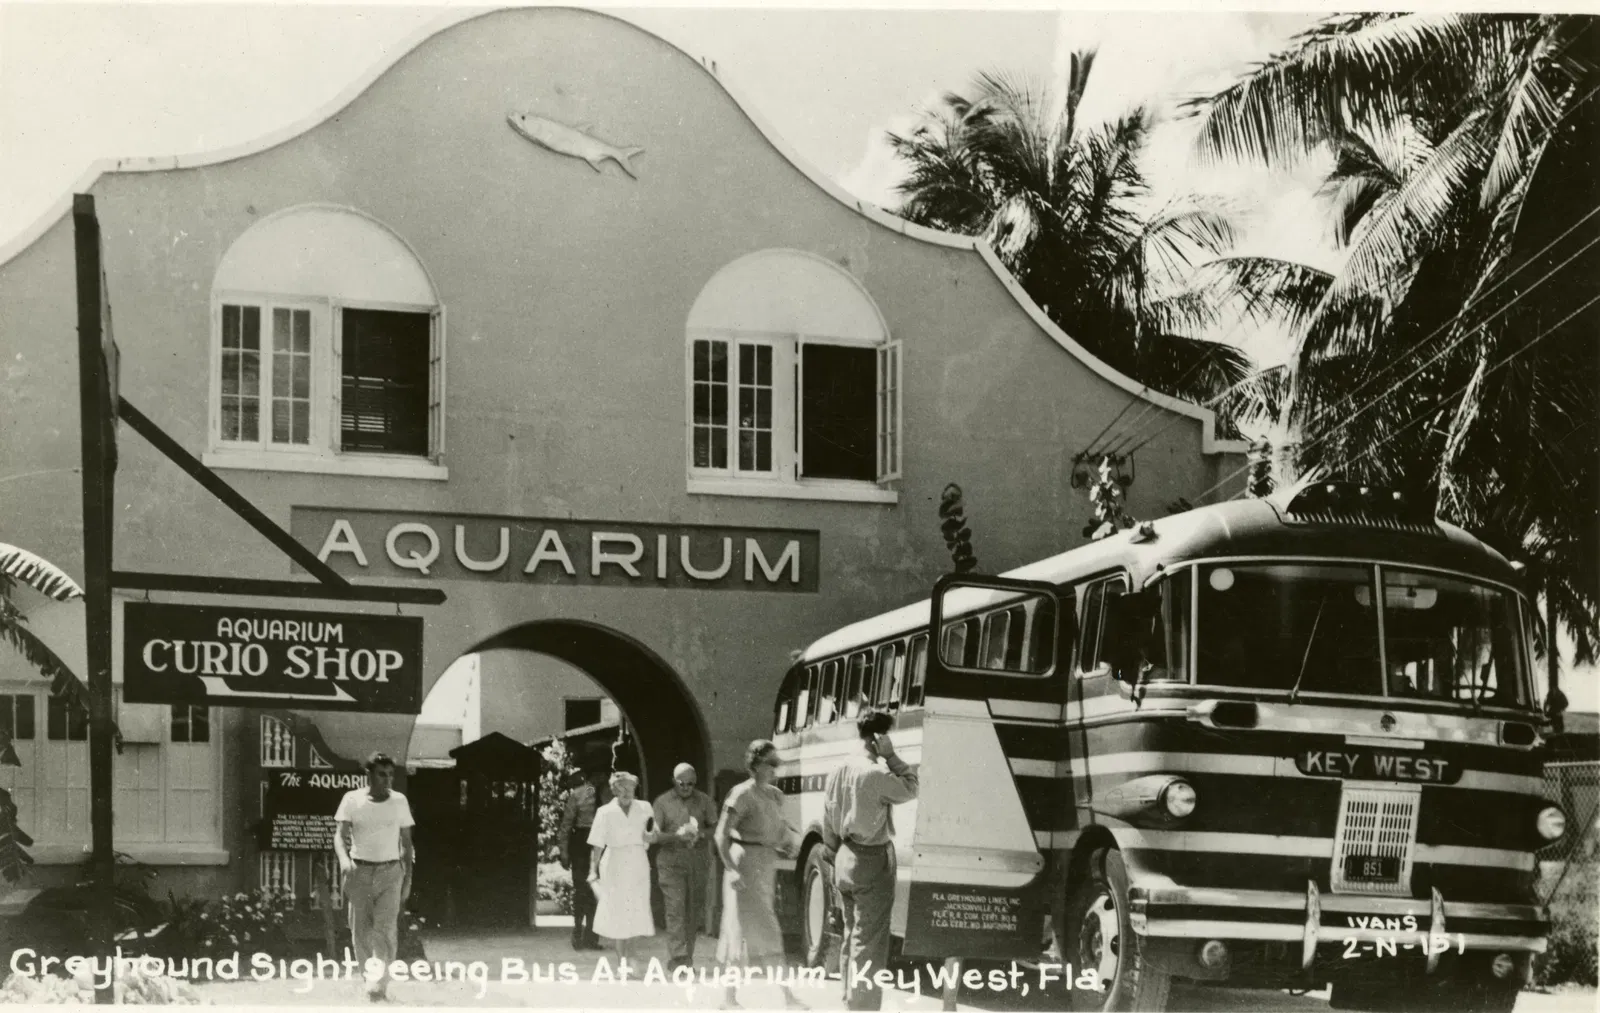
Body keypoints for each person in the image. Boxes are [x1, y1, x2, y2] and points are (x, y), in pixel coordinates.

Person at [822, 710, 918, 1011]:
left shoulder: (839, 768)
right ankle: (862, 1007)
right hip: (871, 859)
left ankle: (849, 1000)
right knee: (870, 941)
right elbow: (911, 786)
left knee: (852, 934)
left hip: (844, 856)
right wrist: (892, 757)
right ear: (878, 737)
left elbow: (827, 818)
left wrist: (833, 851)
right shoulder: (875, 772)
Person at [714, 740, 804, 1010]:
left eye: (778, 763)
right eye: (771, 764)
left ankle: (732, 999)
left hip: (766, 865)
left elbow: (779, 830)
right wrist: (731, 869)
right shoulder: (741, 794)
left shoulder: (776, 795)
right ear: (755, 765)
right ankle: (783, 997)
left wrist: (788, 844)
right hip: (744, 866)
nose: (776, 769)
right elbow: (721, 835)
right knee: (748, 931)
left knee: (752, 930)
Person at [333, 751, 416, 1003]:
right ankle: (369, 979)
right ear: (368, 774)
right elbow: (339, 836)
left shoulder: (399, 801)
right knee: (360, 930)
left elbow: (407, 843)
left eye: (390, 775)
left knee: (385, 929)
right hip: (359, 871)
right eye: (382, 774)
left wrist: (407, 876)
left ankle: (377, 986)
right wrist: (345, 860)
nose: (387, 780)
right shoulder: (352, 799)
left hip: (391, 872)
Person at [652, 762, 719, 970]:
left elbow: (717, 828)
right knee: (675, 909)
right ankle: (678, 957)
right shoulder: (662, 802)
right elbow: (654, 836)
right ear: (674, 781)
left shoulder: (704, 801)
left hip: (697, 862)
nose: (687, 788)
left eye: (691, 784)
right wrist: (676, 836)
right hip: (671, 862)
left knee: (693, 912)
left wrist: (701, 834)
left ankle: (686, 958)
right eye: (682, 783)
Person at [587, 770, 658, 962]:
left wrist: (651, 837)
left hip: (638, 861)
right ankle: (622, 961)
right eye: (622, 788)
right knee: (618, 911)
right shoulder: (605, 812)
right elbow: (597, 844)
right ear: (614, 790)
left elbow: (653, 834)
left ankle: (632, 956)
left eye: (630, 788)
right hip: (614, 863)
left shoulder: (645, 808)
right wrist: (593, 870)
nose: (627, 792)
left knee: (636, 909)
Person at [558, 766, 601, 950]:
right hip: (587, 841)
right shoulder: (591, 790)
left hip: (587, 841)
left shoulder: (604, 791)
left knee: (587, 890)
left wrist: (564, 851)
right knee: (586, 890)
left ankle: (585, 934)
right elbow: (567, 823)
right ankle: (583, 934)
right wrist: (564, 851)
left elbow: (566, 824)